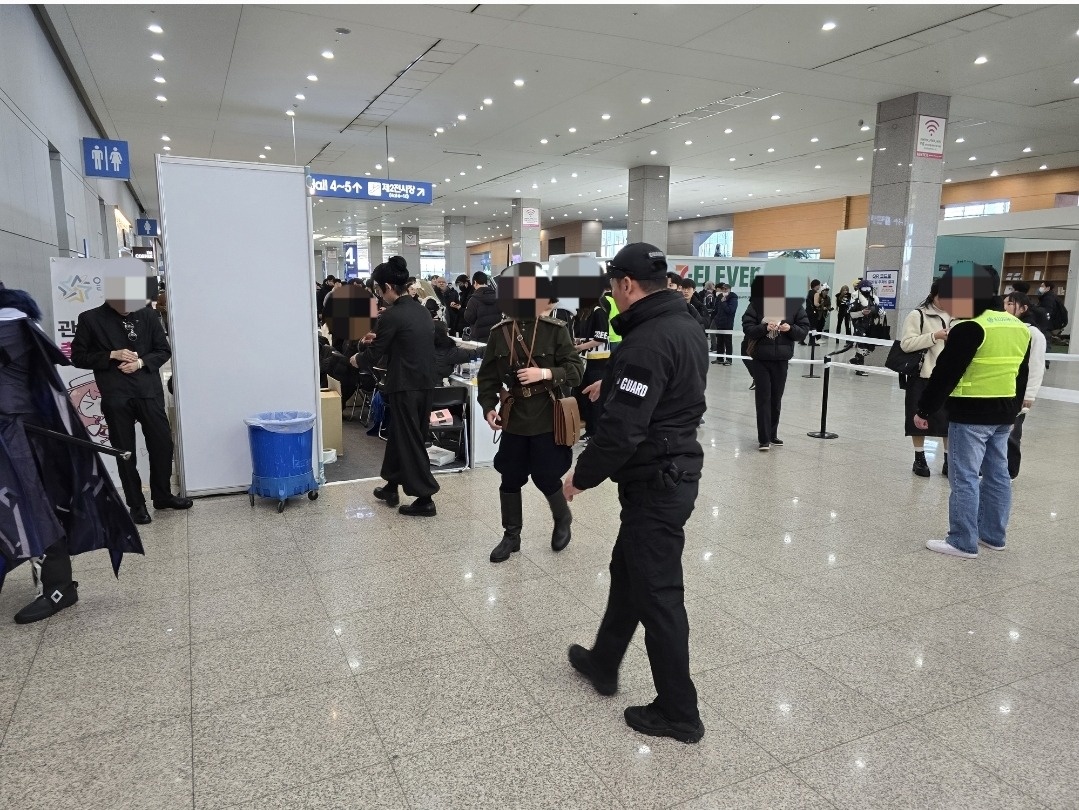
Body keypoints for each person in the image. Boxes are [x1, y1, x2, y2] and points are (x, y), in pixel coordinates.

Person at [562, 242, 708, 745]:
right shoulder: (684, 324)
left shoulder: (647, 340)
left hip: (656, 480)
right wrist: (617, 382)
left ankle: (679, 712)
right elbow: (668, 388)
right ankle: (605, 661)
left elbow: (623, 432)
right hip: (672, 468)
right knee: (628, 571)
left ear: (626, 284)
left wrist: (580, 477)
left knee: (659, 594)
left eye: (612, 286)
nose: (612, 295)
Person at [1, 287, 144, 623]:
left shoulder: (11, 324)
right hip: (15, 434)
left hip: (18, 436)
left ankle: (58, 586)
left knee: (33, 507)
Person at [915, 264, 1030, 558]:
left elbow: (946, 374)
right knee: (997, 474)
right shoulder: (1017, 326)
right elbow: (1021, 373)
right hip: (1005, 412)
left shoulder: (970, 328)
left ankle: (962, 540)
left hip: (971, 414)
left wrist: (925, 410)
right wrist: (1015, 408)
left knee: (964, 476)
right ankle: (993, 535)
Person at [477, 263, 584, 563]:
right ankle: (511, 536)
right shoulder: (499, 333)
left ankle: (562, 518)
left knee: (546, 476)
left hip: (547, 417)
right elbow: (487, 379)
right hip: (514, 418)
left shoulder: (555, 331)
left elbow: (577, 370)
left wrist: (546, 374)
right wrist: (488, 408)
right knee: (509, 478)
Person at [70, 279, 192, 524]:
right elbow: (78, 357)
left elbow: (163, 350)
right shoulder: (90, 319)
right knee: (125, 452)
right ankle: (136, 504)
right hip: (116, 394)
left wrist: (140, 362)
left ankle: (162, 495)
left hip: (148, 390)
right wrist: (111, 355)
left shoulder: (147, 315)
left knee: (162, 445)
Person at [351, 256, 440, 516]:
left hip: (405, 385)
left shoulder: (392, 315)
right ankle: (391, 484)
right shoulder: (421, 310)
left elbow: (377, 354)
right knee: (402, 435)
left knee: (409, 439)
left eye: (379, 291)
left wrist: (357, 358)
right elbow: (404, 342)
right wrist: (375, 341)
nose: (379, 296)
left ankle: (425, 498)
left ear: (388, 286)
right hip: (424, 384)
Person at [741, 277, 811, 451]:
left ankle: (772, 434)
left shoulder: (794, 307)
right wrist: (764, 327)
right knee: (763, 397)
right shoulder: (756, 305)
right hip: (761, 358)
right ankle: (764, 438)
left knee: (776, 398)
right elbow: (748, 328)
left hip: (781, 359)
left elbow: (803, 330)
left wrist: (790, 329)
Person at [898, 283, 951, 477]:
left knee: (948, 420)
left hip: (949, 377)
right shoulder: (918, 315)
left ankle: (948, 460)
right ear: (933, 295)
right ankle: (919, 458)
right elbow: (906, 344)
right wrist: (934, 336)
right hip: (922, 375)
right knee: (918, 418)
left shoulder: (958, 317)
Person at [1003, 292, 1046, 479]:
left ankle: (1010, 471)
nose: (1006, 307)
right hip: (1001, 389)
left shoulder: (1033, 333)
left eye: (1011, 304)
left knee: (1012, 433)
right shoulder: (1004, 328)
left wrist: (1029, 395)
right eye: (1004, 303)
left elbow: (1036, 366)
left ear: (1023, 308)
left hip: (1019, 392)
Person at [573, 293, 611, 443]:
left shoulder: (598, 312)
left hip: (598, 361)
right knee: (584, 396)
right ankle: (590, 429)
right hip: (585, 360)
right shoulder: (584, 313)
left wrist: (581, 346)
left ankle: (596, 432)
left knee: (595, 399)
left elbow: (601, 337)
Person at [848, 282, 881, 375]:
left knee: (869, 347)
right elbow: (851, 314)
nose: (866, 290)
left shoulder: (873, 298)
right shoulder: (856, 298)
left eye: (868, 288)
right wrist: (861, 313)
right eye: (864, 288)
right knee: (862, 346)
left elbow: (876, 310)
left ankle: (854, 360)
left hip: (870, 325)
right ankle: (859, 368)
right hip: (859, 325)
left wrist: (880, 312)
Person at [463, 271, 502, 341]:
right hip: (495, 337)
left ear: (475, 282)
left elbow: (469, 318)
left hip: (479, 339)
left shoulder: (473, 300)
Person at [709, 282, 738, 365]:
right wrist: (716, 319)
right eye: (723, 289)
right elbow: (717, 309)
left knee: (728, 342)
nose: (724, 291)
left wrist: (724, 302)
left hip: (728, 323)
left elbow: (730, 310)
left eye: (726, 289)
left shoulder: (733, 298)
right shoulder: (720, 297)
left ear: (729, 290)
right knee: (720, 341)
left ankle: (729, 360)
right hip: (720, 322)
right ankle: (719, 358)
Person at [801, 280, 821, 346]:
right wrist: (820, 304)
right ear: (816, 285)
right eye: (819, 285)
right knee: (813, 327)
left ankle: (801, 340)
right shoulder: (816, 293)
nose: (819, 286)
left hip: (807, 311)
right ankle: (812, 341)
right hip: (814, 312)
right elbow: (816, 304)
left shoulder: (808, 292)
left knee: (807, 326)